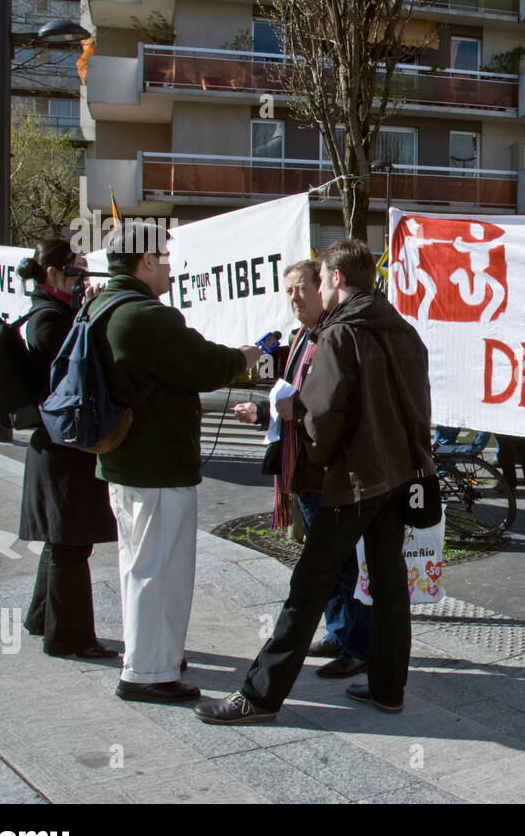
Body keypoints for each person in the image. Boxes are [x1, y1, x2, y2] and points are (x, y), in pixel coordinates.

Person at [196, 239, 432, 724]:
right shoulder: (404, 332)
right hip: (397, 476)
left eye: (321, 279)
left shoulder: (340, 335)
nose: (319, 288)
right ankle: (388, 689)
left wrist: (292, 415)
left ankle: (259, 696)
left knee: (308, 587)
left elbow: (321, 420)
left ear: (337, 280)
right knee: (389, 585)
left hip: (353, 481)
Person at [94, 221, 260, 703]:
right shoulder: (147, 315)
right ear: (145, 260)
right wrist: (244, 355)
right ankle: (147, 673)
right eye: (165, 256)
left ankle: (149, 656)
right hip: (157, 465)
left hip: (126, 462)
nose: (171, 265)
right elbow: (206, 365)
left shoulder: (102, 305)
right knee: (160, 571)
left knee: (138, 566)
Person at [232, 258, 373, 679]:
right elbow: (290, 396)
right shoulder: (300, 338)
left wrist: (292, 411)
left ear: (324, 288)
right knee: (322, 558)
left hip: (328, 471)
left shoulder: (333, 337)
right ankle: (338, 630)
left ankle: (358, 645)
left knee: (340, 562)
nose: (294, 297)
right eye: (288, 290)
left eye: (301, 289)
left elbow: (328, 404)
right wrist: (262, 411)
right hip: (304, 468)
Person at [17, 241, 120, 658]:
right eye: (78, 272)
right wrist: (87, 316)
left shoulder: (53, 313)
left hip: (57, 445)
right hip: (61, 447)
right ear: (56, 274)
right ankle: (69, 638)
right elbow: (73, 371)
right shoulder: (50, 319)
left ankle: (42, 617)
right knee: (70, 544)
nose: (84, 280)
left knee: (63, 541)